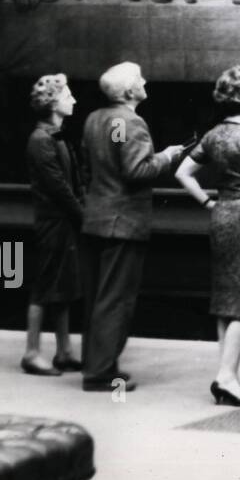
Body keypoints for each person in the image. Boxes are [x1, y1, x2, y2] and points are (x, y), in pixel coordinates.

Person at [78, 62, 184, 391]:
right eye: (139, 79)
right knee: (115, 299)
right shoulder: (130, 122)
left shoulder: (94, 119)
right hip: (123, 223)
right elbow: (136, 171)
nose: (145, 81)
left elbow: (87, 167)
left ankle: (97, 363)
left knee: (96, 297)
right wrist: (167, 157)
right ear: (128, 92)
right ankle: (100, 373)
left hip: (96, 219)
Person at [175, 66, 240, 406]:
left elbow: (183, 172)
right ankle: (226, 377)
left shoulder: (213, 135)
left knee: (225, 300)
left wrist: (206, 201)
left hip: (221, 216)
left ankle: (226, 374)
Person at [21, 74, 85, 377]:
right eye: (68, 95)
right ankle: (31, 353)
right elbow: (59, 187)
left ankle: (64, 351)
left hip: (64, 222)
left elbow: (71, 181)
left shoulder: (55, 135)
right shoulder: (41, 139)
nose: (73, 100)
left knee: (64, 286)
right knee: (45, 284)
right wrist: (83, 215)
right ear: (53, 103)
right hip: (53, 222)